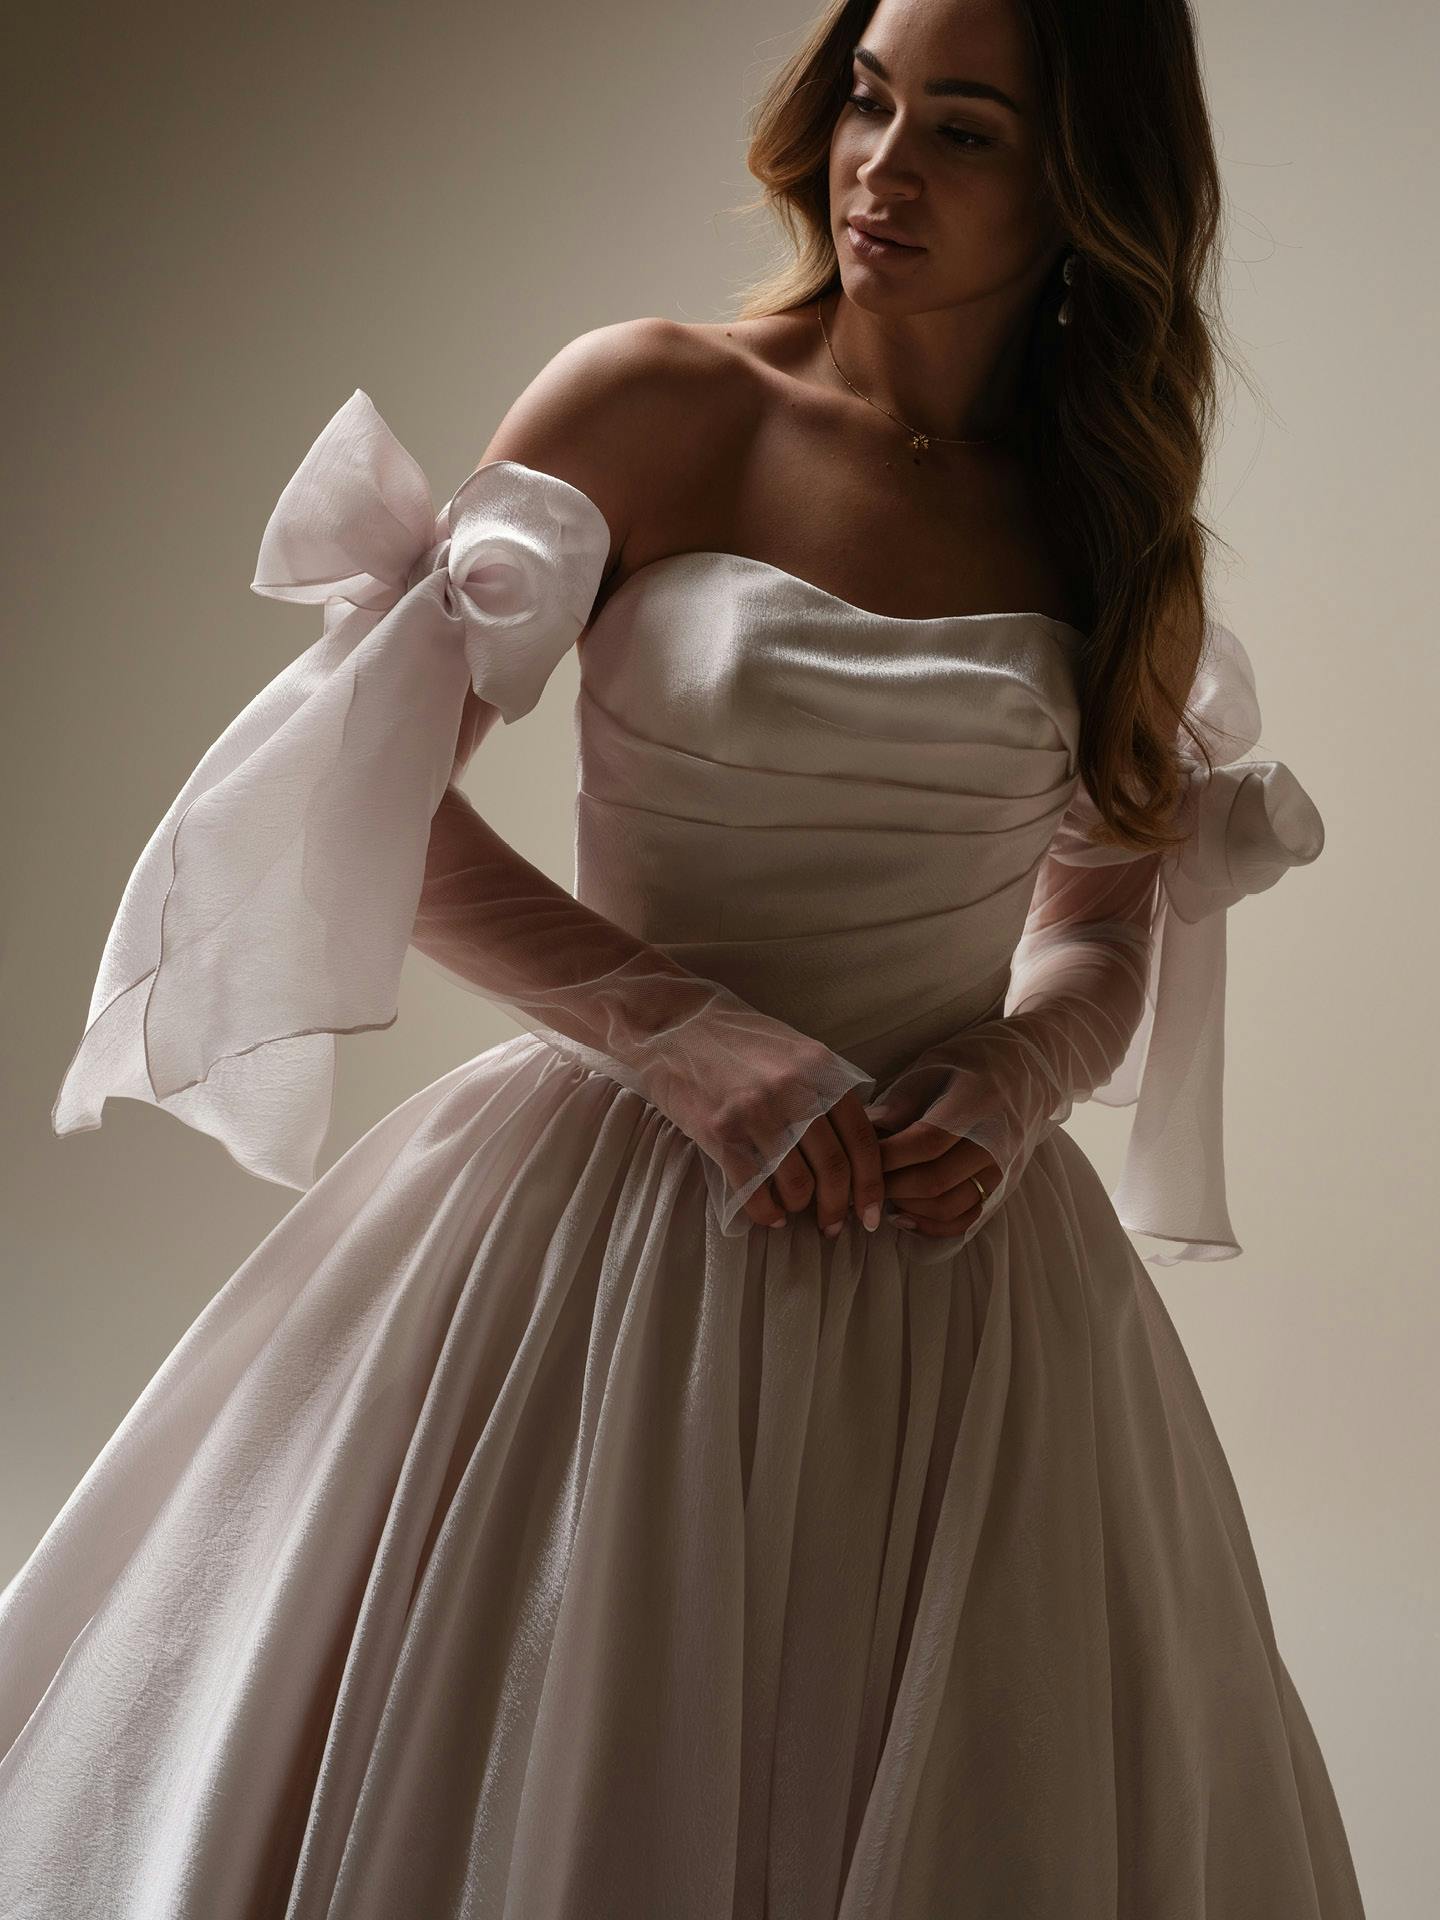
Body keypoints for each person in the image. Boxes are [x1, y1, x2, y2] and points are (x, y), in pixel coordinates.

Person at [0, 0, 1368, 1913]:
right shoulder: (653, 402)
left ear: (1089, 186)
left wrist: (1022, 1072)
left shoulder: (1114, 522)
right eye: (871, 101)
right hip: (614, 1214)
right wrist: (678, 1033)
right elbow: (355, 804)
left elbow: (1101, 913)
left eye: (964, 130)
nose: (881, 164)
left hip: (954, 1267)